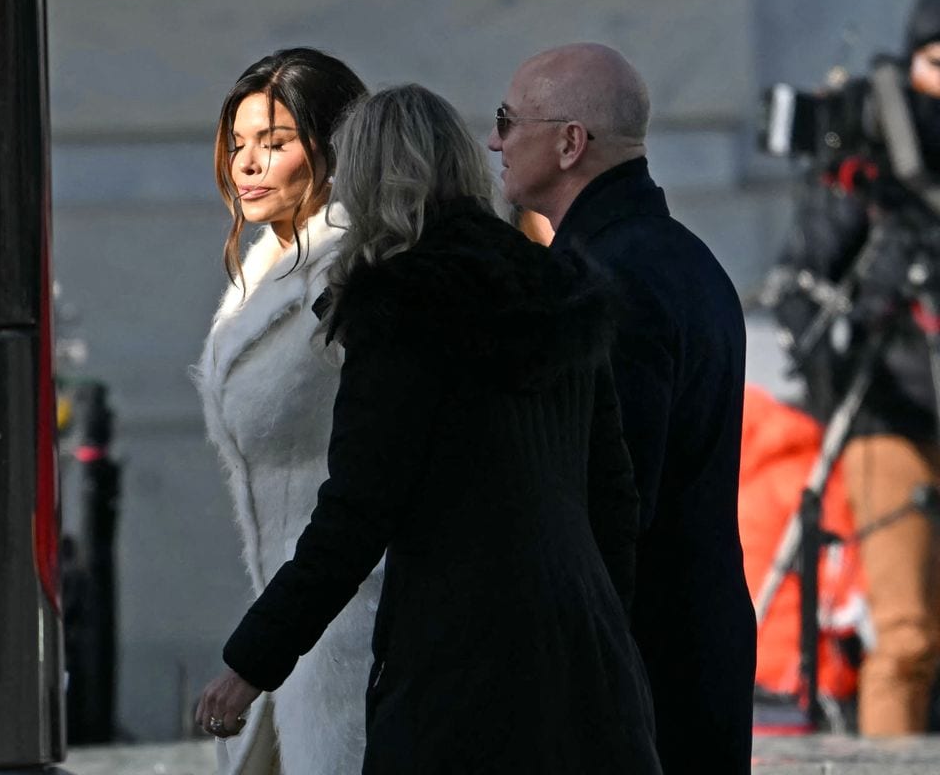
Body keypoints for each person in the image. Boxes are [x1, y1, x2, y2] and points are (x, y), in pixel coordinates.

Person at [197, 83, 662, 774]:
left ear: (364, 181)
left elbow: (354, 515)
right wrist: (598, 624)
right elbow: (614, 496)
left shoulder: (397, 313)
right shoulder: (559, 288)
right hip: (585, 659)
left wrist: (250, 664)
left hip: (459, 667)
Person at [489, 44, 755, 773]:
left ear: (570, 142)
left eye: (509, 120)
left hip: (635, 671)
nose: (495, 140)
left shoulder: (604, 281)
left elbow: (607, 502)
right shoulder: (683, 258)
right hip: (685, 655)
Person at [193, 47, 369, 775]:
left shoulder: (354, 270)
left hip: (357, 621)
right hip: (286, 623)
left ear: (330, 148)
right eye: (239, 145)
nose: (248, 165)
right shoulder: (268, 263)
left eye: (275, 143)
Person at [772, 0, 940, 735]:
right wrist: (834, 381)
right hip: (890, 413)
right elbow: (800, 288)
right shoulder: (872, 160)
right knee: (906, 636)